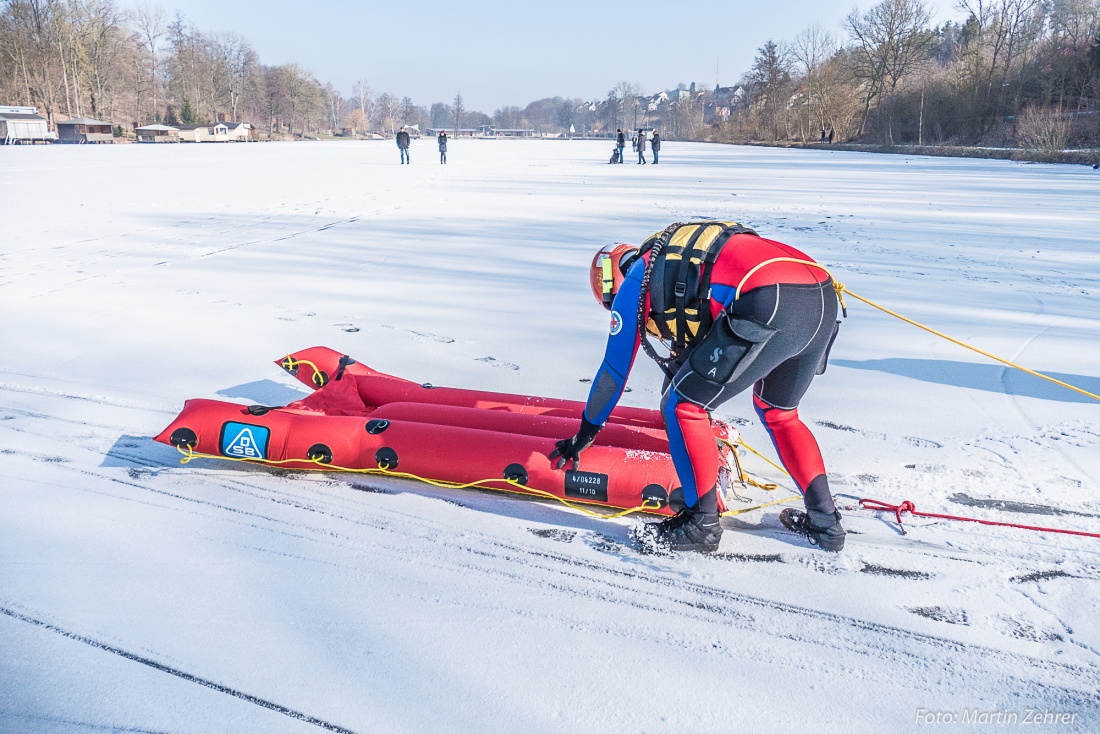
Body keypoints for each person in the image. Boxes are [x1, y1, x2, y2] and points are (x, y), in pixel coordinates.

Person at [551, 222, 845, 554]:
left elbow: (614, 372)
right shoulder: (676, 263)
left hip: (768, 297)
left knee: (684, 407)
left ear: (611, 286)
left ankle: (699, 525)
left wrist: (586, 432)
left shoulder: (636, 281)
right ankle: (826, 523)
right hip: (820, 294)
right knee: (779, 413)